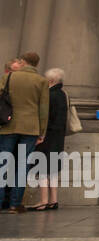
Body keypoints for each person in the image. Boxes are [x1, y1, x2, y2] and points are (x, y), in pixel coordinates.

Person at [0, 53, 48, 213]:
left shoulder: (8, 77)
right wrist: (42, 132)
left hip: (8, 125)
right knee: (23, 165)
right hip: (31, 127)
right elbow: (43, 110)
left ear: (22, 62)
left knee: (3, 163)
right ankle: (15, 204)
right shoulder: (41, 81)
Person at [32, 67, 69, 211]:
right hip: (58, 137)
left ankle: (43, 201)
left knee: (42, 169)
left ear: (51, 80)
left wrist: (40, 135)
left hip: (47, 137)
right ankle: (53, 200)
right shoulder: (64, 94)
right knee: (52, 170)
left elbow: (44, 117)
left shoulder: (49, 95)